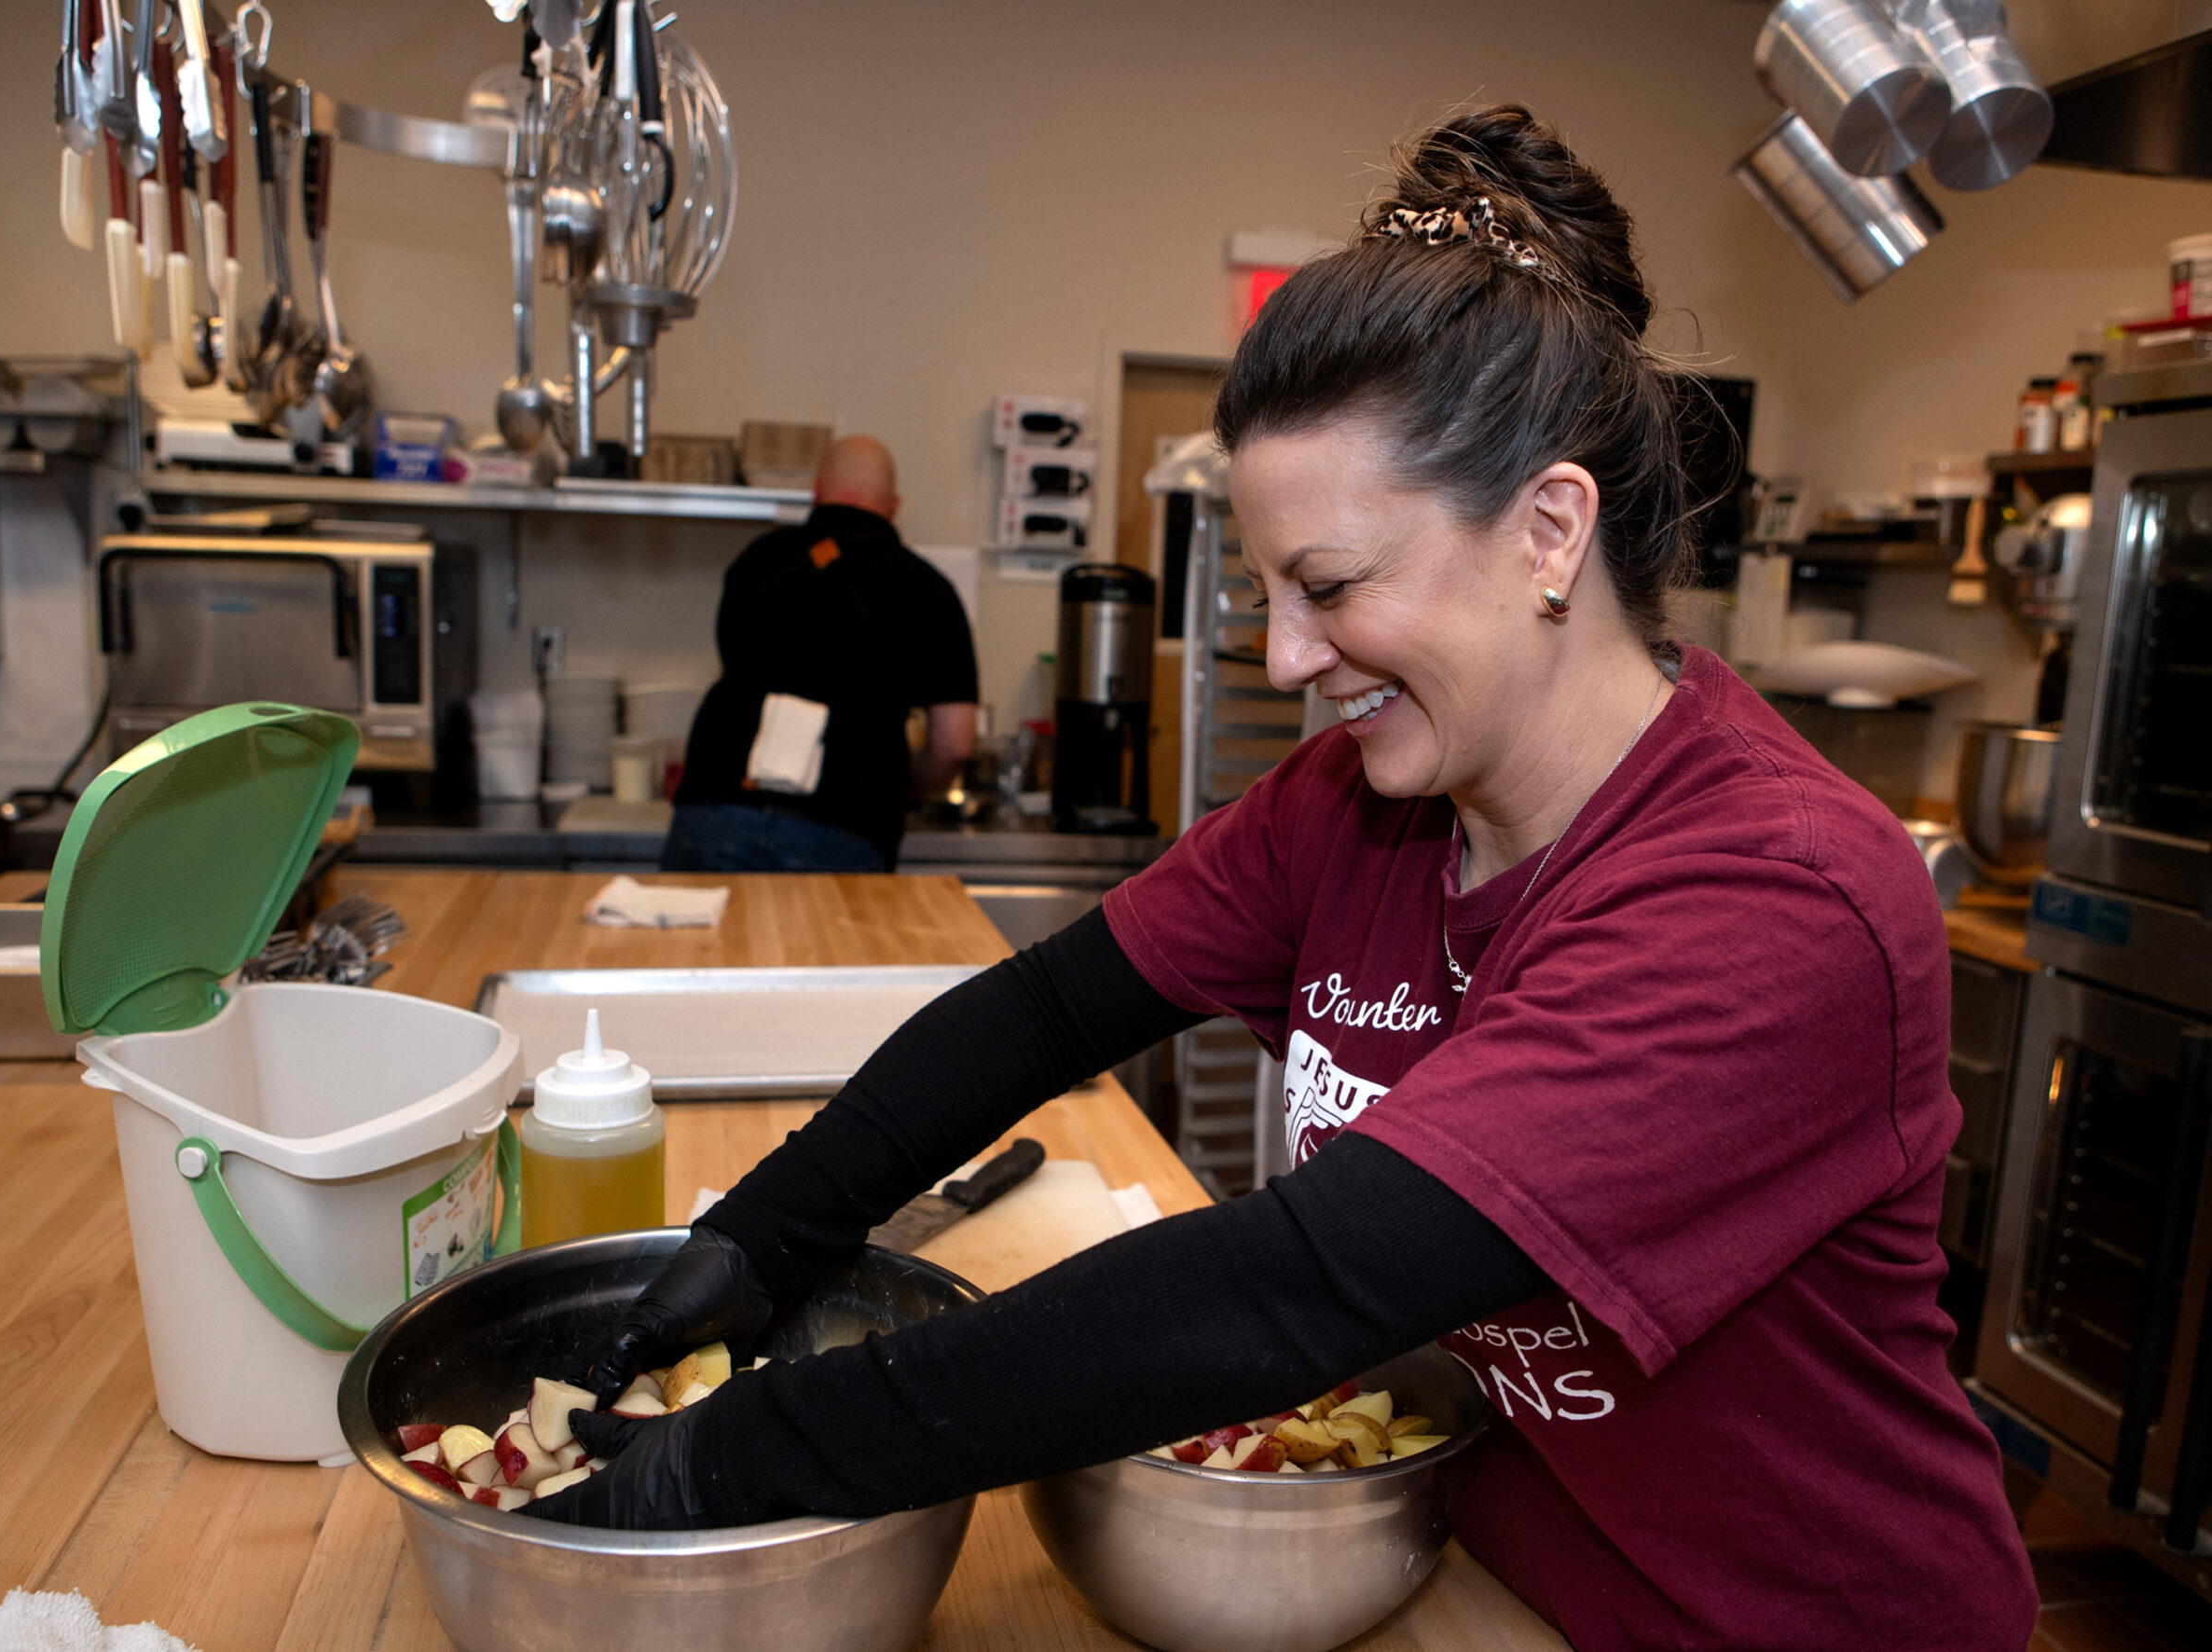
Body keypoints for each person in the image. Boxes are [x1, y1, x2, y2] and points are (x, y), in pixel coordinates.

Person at [531, 107, 2036, 1652]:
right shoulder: (1356, 803)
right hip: (1477, 1562)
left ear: (1548, 531)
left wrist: (733, 1457)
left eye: (1327, 587)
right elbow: (1050, 1007)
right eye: (1266, 592)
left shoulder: (1770, 896)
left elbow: (1294, 1288)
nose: (1284, 656)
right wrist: (766, 1234)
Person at [662, 436, 978, 873]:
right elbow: (953, 744)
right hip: (844, 823)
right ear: (894, 504)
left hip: (716, 809)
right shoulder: (928, 589)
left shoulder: (758, 561)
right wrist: (909, 787)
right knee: (820, 945)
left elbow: (731, 670)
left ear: (816, 492)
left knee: (696, 943)